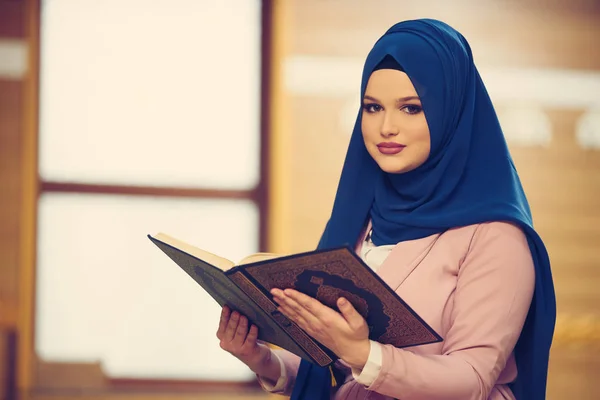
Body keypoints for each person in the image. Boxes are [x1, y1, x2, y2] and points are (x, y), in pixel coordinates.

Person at [215, 18, 556, 400]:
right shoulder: (362, 215)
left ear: (452, 114)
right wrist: (261, 358)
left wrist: (362, 352)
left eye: (411, 108)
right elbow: (342, 372)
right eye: (373, 107)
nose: (386, 127)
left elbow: (471, 379)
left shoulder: (496, 236)